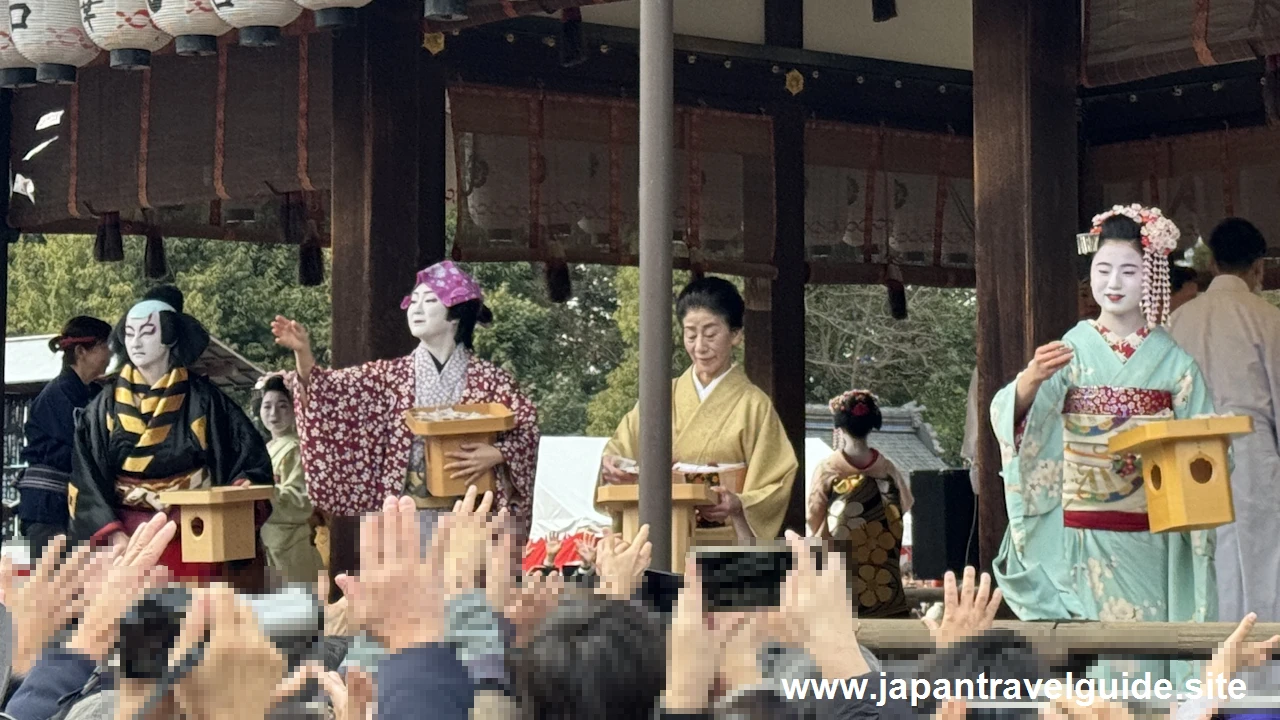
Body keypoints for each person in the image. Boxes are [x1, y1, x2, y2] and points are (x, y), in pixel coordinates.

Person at [990, 205, 1217, 685]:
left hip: (1149, 534)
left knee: (1147, 661)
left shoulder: (1175, 363)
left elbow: (1207, 443)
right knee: (1091, 665)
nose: (1113, 282)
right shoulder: (1070, 351)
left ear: (1151, 275)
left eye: (1129, 271)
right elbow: (1015, 425)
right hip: (1081, 537)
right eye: (1103, 270)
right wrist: (1029, 383)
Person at [271, 260, 540, 550]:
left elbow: (528, 429)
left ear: (455, 316)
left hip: (473, 515)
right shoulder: (389, 376)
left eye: (429, 301)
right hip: (409, 511)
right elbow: (331, 391)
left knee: (468, 592)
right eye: (414, 301)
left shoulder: (492, 380)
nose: (417, 308)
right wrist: (303, 354)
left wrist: (499, 452)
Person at [69, 285, 273, 580]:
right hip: (125, 537)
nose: (136, 342)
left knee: (196, 617)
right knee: (127, 617)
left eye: (148, 332)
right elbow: (86, 477)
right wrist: (113, 536)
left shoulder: (206, 401)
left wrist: (243, 484)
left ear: (171, 336)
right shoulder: (102, 407)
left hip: (192, 530)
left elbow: (248, 458)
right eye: (130, 333)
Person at [598, 276, 797, 544]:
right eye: (690, 334)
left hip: (724, 540)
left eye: (711, 334)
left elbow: (776, 480)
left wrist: (739, 503)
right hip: (662, 534)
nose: (700, 346)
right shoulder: (660, 397)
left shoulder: (754, 405)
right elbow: (621, 449)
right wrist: (612, 465)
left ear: (736, 334)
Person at [1170, 217, 1280, 624]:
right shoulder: (1267, 318)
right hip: (1252, 451)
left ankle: (1205, 670)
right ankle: (1263, 674)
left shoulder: (1178, 321)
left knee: (1203, 560)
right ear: (1259, 268)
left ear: (1212, 264)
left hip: (1187, 454)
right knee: (1261, 563)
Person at [807, 389, 914, 618]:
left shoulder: (828, 470)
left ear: (840, 427)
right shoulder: (887, 469)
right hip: (882, 573)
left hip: (839, 574)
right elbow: (903, 507)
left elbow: (813, 518)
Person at [16, 317, 112, 561]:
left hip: (74, 506)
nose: (109, 353)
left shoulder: (93, 394)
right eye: (104, 346)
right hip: (47, 506)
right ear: (81, 351)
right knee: (55, 585)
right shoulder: (57, 395)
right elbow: (84, 450)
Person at [256, 375, 324, 584]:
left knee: (295, 611)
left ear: (295, 410)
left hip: (292, 546)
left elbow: (299, 502)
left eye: (282, 406)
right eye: (267, 406)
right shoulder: (266, 449)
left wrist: (258, 498)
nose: (273, 413)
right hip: (268, 544)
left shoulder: (296, 449)